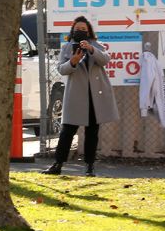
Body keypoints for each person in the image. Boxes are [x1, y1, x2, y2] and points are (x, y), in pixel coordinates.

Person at [45, 16, 117, 176]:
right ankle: (57, 164)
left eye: (84, 30)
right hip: (76, 96)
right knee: (67, 131)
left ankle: (90, 167)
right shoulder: (67, 47)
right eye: (77, 29)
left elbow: (105, 60)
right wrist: (73, 61)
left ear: (89, 32)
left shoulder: (97, 45)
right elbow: (62, 70)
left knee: (92, 132)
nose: (81, 32)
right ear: (72, 31)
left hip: (95, 96)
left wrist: (91, 49)